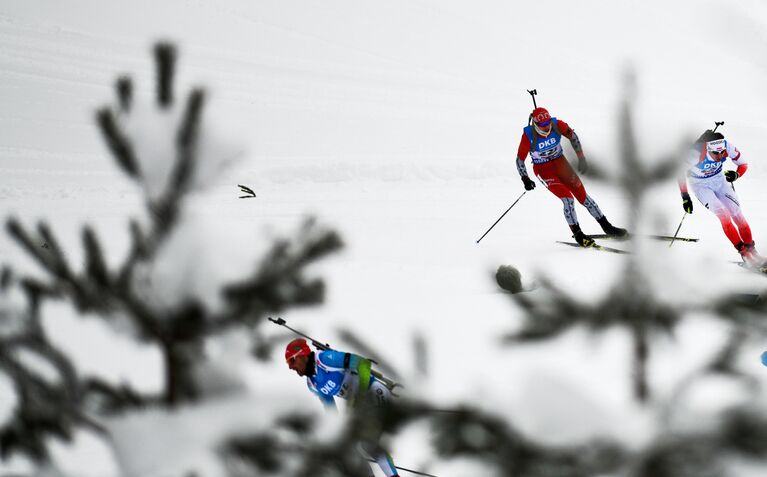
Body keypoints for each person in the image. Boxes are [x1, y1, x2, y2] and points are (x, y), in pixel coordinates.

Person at [285, 338, 399, 477]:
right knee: (351, 449)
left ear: (302, 355)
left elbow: (363, 363)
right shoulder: (312, 384)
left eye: (292, 361)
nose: (291, 367)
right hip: (360, 408)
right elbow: (331, 411)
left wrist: (361, 395)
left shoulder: (325, 359)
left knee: (368, 443)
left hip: (374, 391)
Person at [516, 107, 627, 246]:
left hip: (561, 164)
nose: (547, 127)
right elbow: (519, 159)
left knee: (583, 196)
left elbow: (573, 137)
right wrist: (525, 178)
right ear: (536, 124)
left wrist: (581, 158)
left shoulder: (557, 125)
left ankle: (607, 227)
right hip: (544, 170)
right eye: (543, 125)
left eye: (548, 123)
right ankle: (578, 234)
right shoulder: (528, 135)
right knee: (568, 199)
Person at [679, 129, 763, 266]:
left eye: (722, 152)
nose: (719, 156)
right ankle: (744, 253)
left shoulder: (727, 146)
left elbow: (743, 164)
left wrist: (736, 175)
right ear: (707, 149)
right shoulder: (694, 154)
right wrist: (685, 197)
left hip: (719, 181)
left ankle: (753, 252)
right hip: (701, 186)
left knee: (738, 215)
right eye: (715, 153)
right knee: (724, 216)